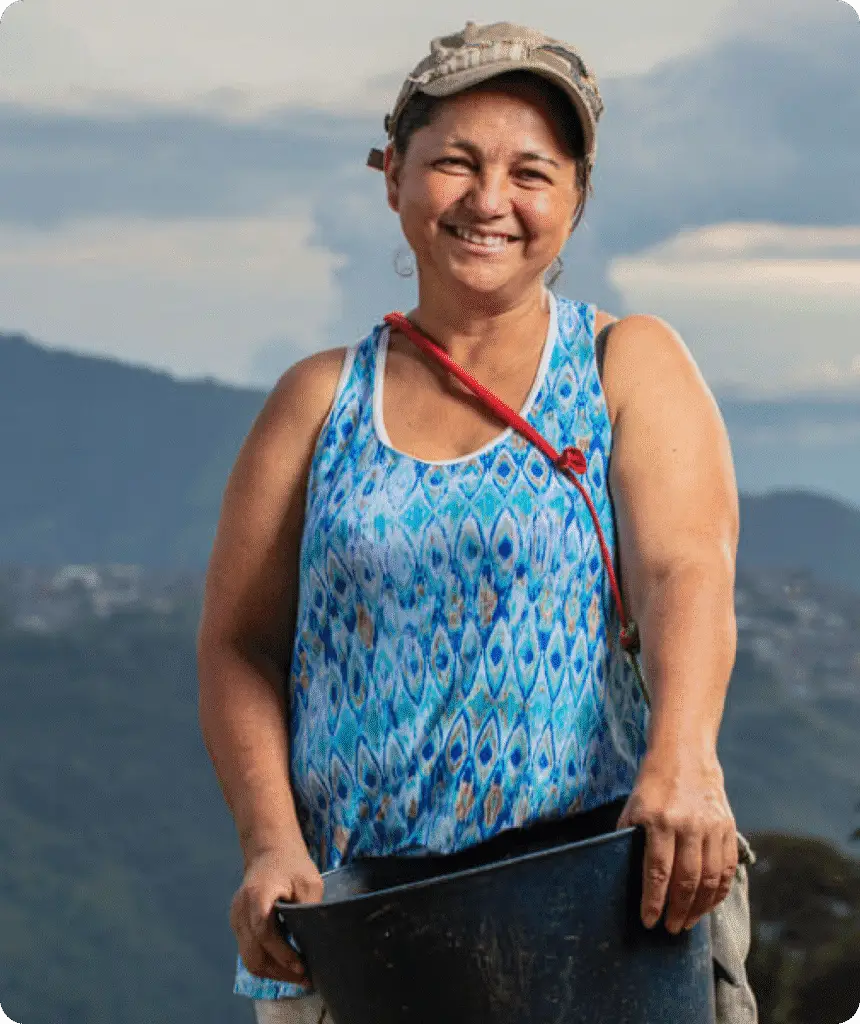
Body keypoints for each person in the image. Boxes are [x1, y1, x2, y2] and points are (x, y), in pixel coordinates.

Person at [196, 21, 758, 1024]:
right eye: (452, 161)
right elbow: (240, 644)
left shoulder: (624, 363)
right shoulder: (317, 401)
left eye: (529, 171)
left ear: (575, 197)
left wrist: (684, 761)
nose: (488, 200)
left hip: (595, 908)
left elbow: (686, 570)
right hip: (358, 922)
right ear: (392, 179)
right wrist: (269, 842)